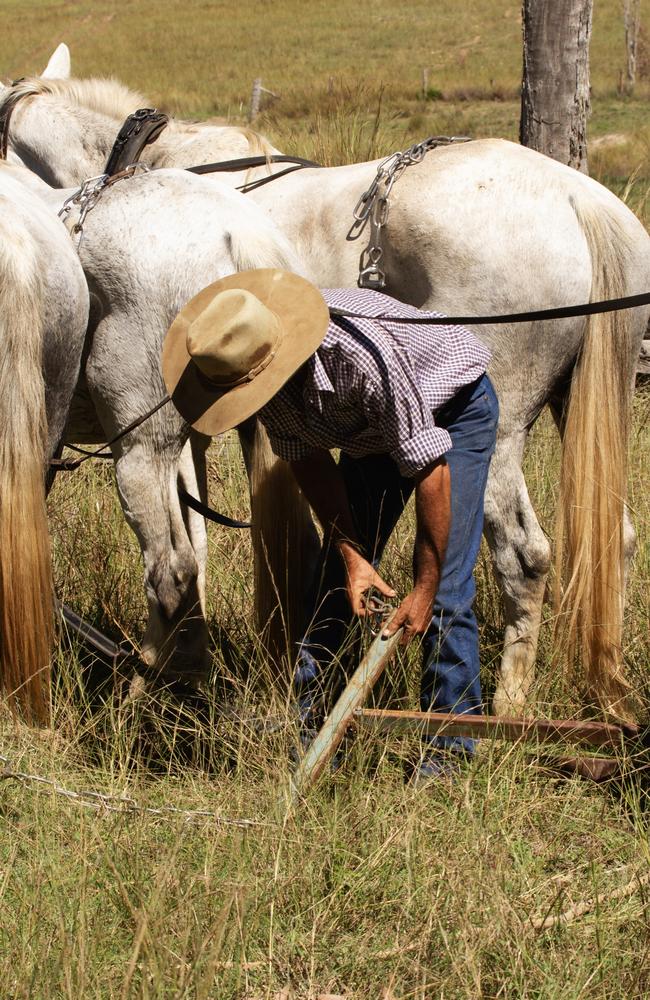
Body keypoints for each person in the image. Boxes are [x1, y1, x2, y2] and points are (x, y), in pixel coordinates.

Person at [162, 268, 498, 782]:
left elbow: (429, 468)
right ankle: (319, 736)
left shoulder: (358, 359)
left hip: (452, 408)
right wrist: (350, 552)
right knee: (334, 585)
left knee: (446, 587)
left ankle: (449, 757)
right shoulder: (261, 384)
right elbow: (309, 462)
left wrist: (423, 586)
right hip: (371, 432)